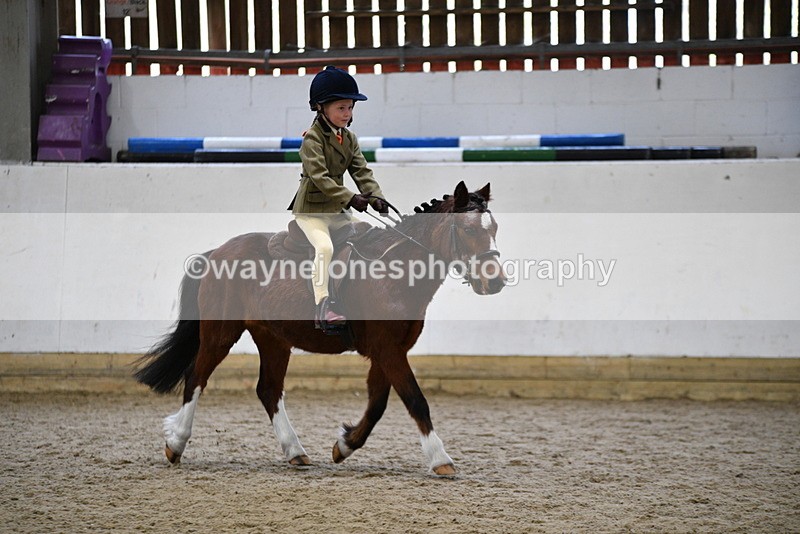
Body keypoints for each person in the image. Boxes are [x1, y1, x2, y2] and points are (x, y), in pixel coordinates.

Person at [287, 65, 390, 330]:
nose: (347, 114)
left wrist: (376, 196)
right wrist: (351, 198)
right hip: (312, 213)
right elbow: (320, 178)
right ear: (321, 108)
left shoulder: (350, 138)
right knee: (325, 249)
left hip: (338, 212)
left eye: (350, 108)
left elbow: (361, 170)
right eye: (341, 108)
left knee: (366, 241)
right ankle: (323, 305)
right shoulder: (312, 140)